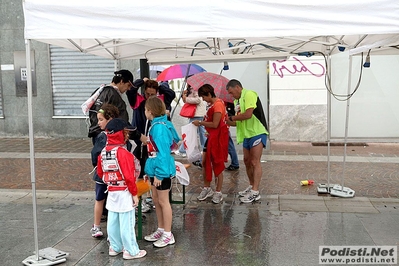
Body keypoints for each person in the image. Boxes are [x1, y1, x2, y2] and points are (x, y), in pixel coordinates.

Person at [97, 118, 147, 260]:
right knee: (127, 223)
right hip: (125, 191)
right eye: (125, 133)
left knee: (112, 221)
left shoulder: (104, 152)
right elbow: (130, 177)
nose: (127, 135)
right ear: (121, 134)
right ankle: (131, 251)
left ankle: (115, 247)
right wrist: (134, 194)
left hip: (111, 190)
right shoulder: (123, 153)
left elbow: (100, 173)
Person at [126, 78, 176, 212]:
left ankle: (149, 197)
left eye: (152, 94)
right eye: (147, 94)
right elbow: (130, 90)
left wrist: (159, 85)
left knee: (152, 170)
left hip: (153, 145)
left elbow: (171, 94)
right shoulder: (138, 101)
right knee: (139, 171)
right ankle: (140, 200)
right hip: (140, 142)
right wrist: (141, 81)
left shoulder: (159, 104)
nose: (149, 97)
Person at [143, 96, 180, 248]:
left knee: (163, 202)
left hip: (161, 170)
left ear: (150, 111)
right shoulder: (159, 125)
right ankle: (161, 228)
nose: (144, 112)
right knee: (157, 201)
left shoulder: (159, 128)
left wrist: (159, 173)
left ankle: (167, 233)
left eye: (145, 109)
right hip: (156, 168)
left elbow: (163, 153)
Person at [226, 79, 269, 203]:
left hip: (257, 132)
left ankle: (255, 192)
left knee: (255, 161)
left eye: (231, 92)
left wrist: (231, 117)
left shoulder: (250, 94)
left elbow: (248, 114)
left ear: (238, 87)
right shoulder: (236, 101)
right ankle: (251, 186)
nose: (231, 95)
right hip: (246, 134)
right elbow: (238, 120)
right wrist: (226, 121)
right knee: (247, 161)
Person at [193, 84, 229, 204]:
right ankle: (207, 187)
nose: (203, 100)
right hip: (212, 137)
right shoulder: (213, 104)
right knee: (205, 162)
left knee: (217, 164)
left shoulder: (218, 104)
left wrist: (201, 123)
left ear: (208, 94)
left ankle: (218, 192)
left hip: (218, 139)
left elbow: (215, 124)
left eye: (203, 97)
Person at [90, 103, 119, 238]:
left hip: (107, 173)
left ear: (110, 119)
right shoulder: (103, 136)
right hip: (106, 173)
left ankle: (102, 227)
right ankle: (96, 226)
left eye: (101, 119)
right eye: (98, 119)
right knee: (100, 198)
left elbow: (95, 154)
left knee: (102, 199)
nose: (99, 122)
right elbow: (95, 154)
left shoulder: (106, 136)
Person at [175, 84, 207, 168]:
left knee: (191, 133)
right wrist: (184, 95)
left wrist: (186, 98)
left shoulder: (195, 89)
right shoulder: (190, 89)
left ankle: (183, 149)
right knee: (198, 134)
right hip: (196, 114)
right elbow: (187, 101)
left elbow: (198, 100)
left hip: (197, 114)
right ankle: (205, 150)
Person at [225, 102, 239, 171]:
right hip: (225, 127)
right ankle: (235, 163)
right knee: (229, 146)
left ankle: (235, 163)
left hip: (224, 128)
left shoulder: (223, 103)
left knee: (229, 146)